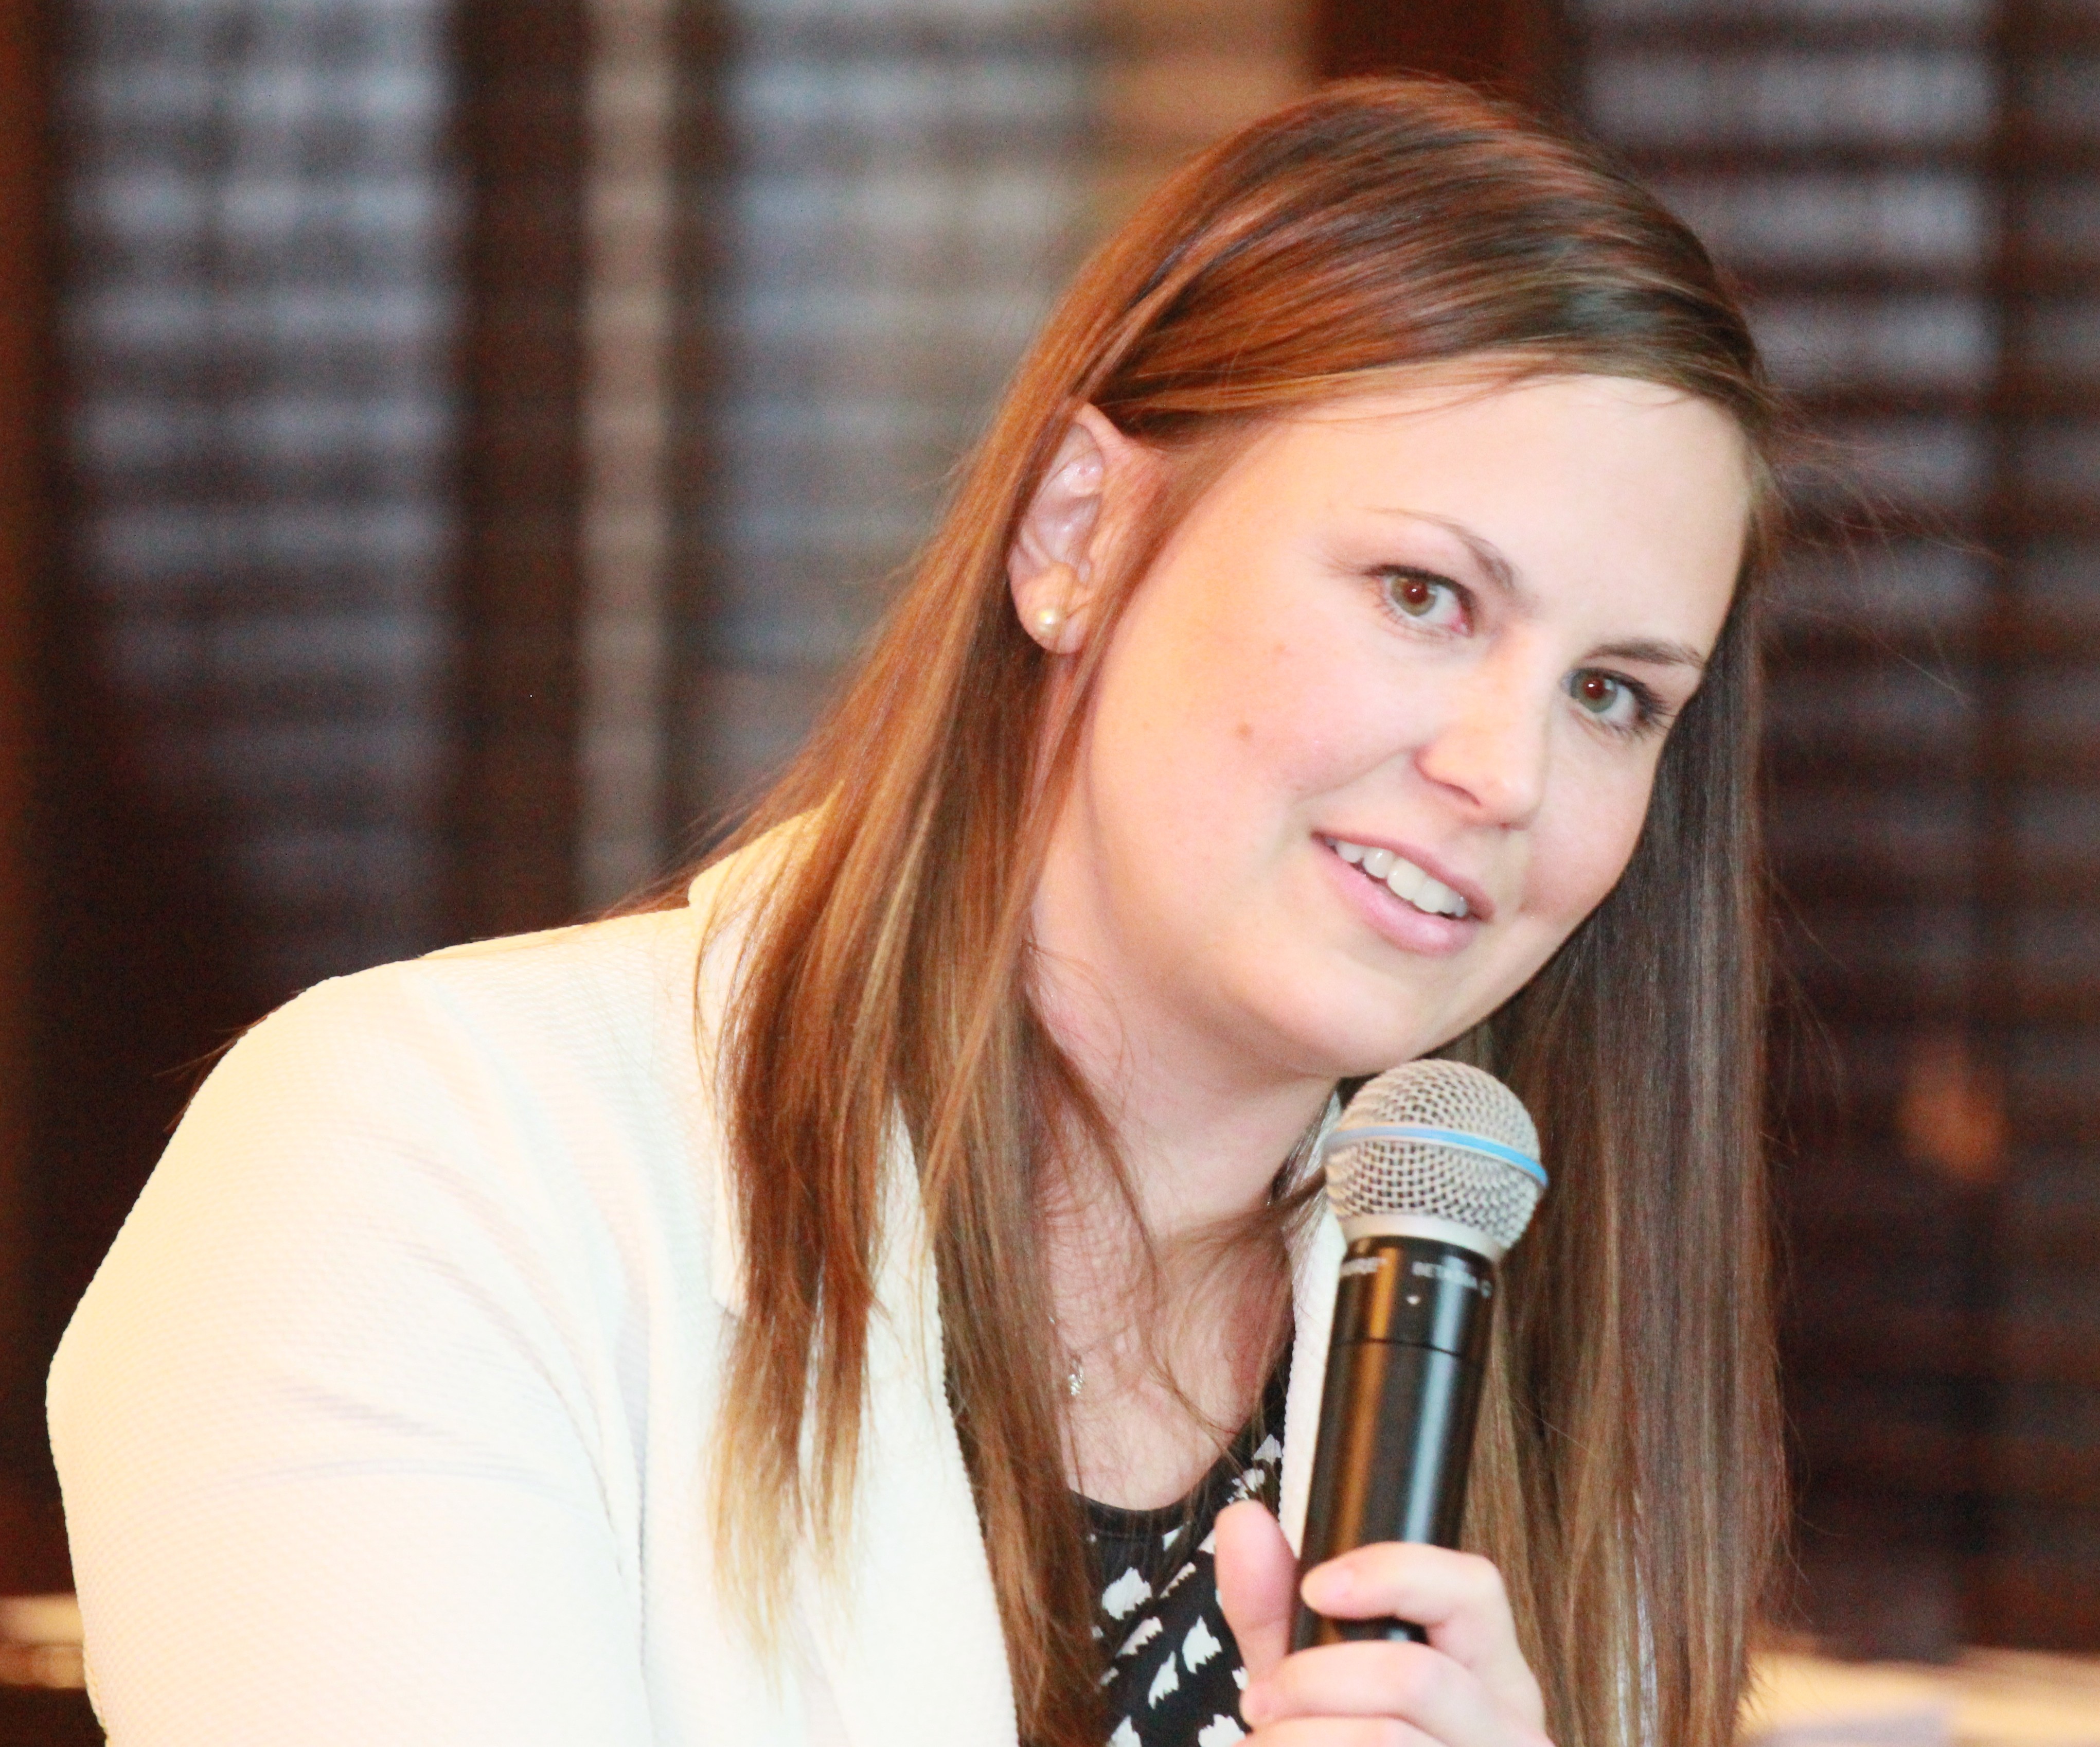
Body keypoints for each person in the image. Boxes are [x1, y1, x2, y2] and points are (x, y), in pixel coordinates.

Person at [49, 77, 1783, 1747]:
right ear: (1077, 530)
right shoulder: (426, 1160)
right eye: (1422, 594)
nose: (1505, 772)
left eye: (1612, 695)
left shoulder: (1531, 1401)